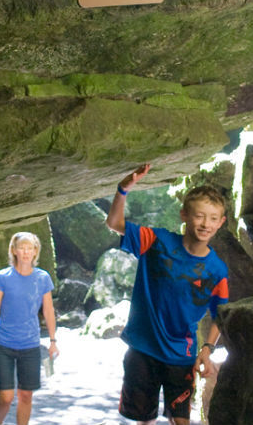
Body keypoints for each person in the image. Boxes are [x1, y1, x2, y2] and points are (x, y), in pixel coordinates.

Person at [106, 164, 230, 425]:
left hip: (181, 356)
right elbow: (114, 223)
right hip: (142, 350)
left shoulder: (218, 270)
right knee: (143, 420)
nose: (205, 223)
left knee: (181, 420)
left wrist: (207, 349)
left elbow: (222, 314)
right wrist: (123, 189)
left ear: (221, 222)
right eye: (199, 216)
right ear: (184, 214)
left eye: (212, 217)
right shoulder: (156, 241)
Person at [0, 232, 60, 425]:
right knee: (6, 396)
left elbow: (48, 311)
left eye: (29, 248)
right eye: (21, 248)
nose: (25, 252)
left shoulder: (42, 278)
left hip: (30, 345)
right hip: (4, 344)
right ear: (14, 251)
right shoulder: (3, 277)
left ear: (35, 252)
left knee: (26, 395)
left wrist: (52, 341)